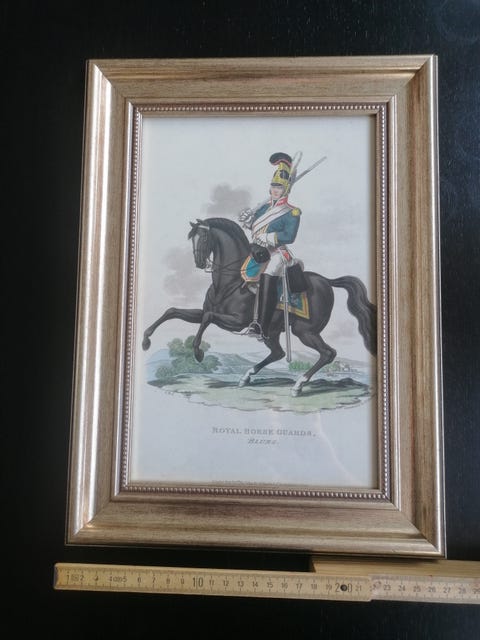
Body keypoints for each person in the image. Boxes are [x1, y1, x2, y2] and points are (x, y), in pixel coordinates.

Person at [239, 151, 302, 340]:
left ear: (286, 190)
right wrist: (248, 220)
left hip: (278, 253)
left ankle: (261, 327)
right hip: (259, 249)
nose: (275, 190)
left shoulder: (292, 212)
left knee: (267, 275)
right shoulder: (263, 209)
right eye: (274, 186)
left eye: (279, 187)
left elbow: (289, 236)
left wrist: (268, 237)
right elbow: (255, 228)